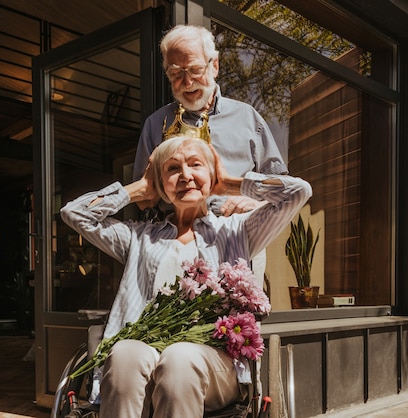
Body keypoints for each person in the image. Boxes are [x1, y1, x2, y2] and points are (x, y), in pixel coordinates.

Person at [61, 135, 311, 417]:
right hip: (145, 350)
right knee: (123, 353)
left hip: (213, 363)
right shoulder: (138, 237)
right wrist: (138, 189)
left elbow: (298, 193)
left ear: (211, 173)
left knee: (179, 356)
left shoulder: (237, 230)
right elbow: (74, 213)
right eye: (172, 169)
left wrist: (229, 184)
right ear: (160, 182)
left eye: (195, 165)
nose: (186, 176)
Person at [133, 24, 289, 280]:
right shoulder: (155, 123)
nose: (187, 82)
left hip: (239, 233)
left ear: (214, 65)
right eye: (176, 73)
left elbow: (282, 187)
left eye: (195, 69)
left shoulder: (247, 117)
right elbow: (143, 199)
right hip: (178, 240)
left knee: (241, 319)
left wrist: (256, 202)